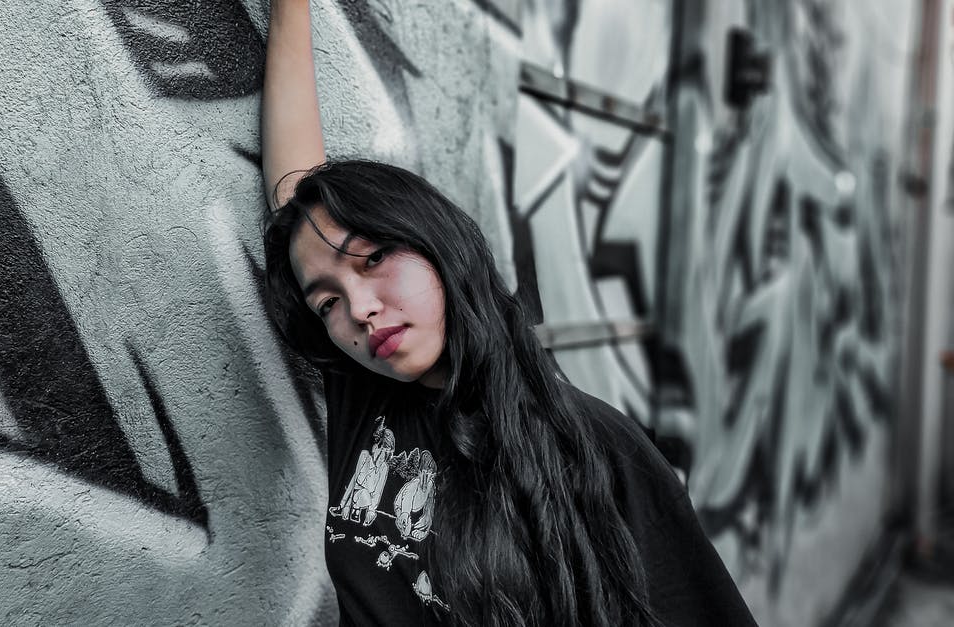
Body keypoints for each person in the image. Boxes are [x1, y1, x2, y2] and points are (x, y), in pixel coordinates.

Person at [259, 2, 760, 626]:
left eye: (375, 258)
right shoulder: (369, 394)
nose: (358, 310)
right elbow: (294, 194)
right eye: (327, 301)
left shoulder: (596, 452)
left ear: (440, 248)